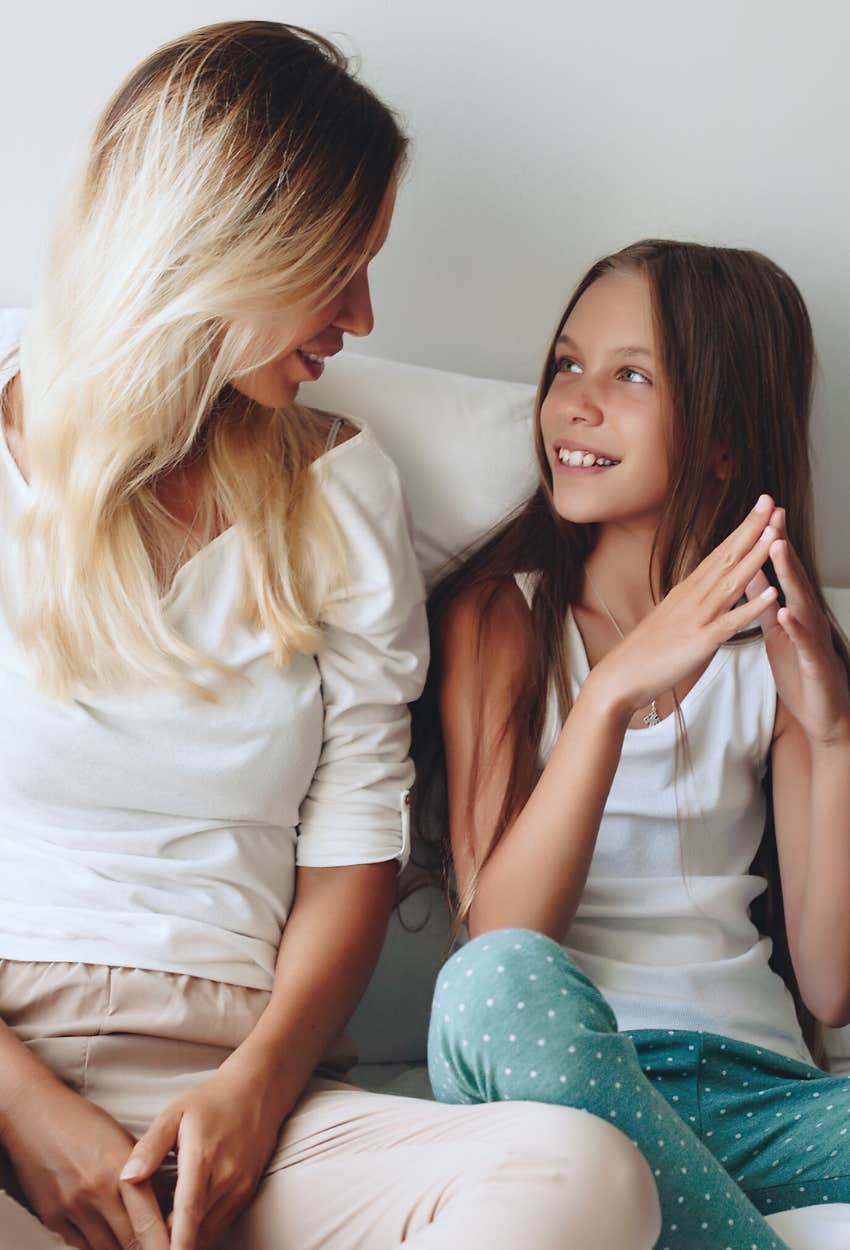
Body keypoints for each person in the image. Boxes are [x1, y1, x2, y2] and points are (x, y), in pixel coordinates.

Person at [0, 21, 662, 1250]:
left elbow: (353, 843)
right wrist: (26, 1109)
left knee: (586, 1177)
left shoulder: (344, 488)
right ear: (222, 242)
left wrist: (254, 1092)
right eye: (338, 265)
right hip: (4, 1057)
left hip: (235, 1077)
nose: (361, 316)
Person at [421, 239, 850, 1250]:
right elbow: (498, 936)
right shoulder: (501, 619)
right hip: (561, 1078)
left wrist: (831, 736)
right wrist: (608, 693)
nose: (576, 401)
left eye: (631, 376)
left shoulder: (779, 651)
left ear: (722, 441)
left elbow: (830, 982)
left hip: (755, 1091)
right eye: (567, 364)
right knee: (488, 982)